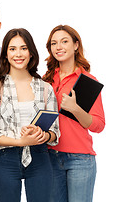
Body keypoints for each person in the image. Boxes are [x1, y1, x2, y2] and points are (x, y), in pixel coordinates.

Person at [0, 28, 60, 202]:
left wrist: (44, 135)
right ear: (6, 55)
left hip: (40, 157)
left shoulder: (45, 88)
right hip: (6, 160)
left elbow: (55, 132)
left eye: (24, 48)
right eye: (12, 49)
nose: (18, 54)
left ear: (31, 53)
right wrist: (20, 141)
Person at [42, 25, 105, 202]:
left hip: (80, 159)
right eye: (54, 43)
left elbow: (99, 125)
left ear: (76, 45)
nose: (58, 47)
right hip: (50, 156)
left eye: (64, 41)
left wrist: (75, 108)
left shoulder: (87, 81)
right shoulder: (46, 80)